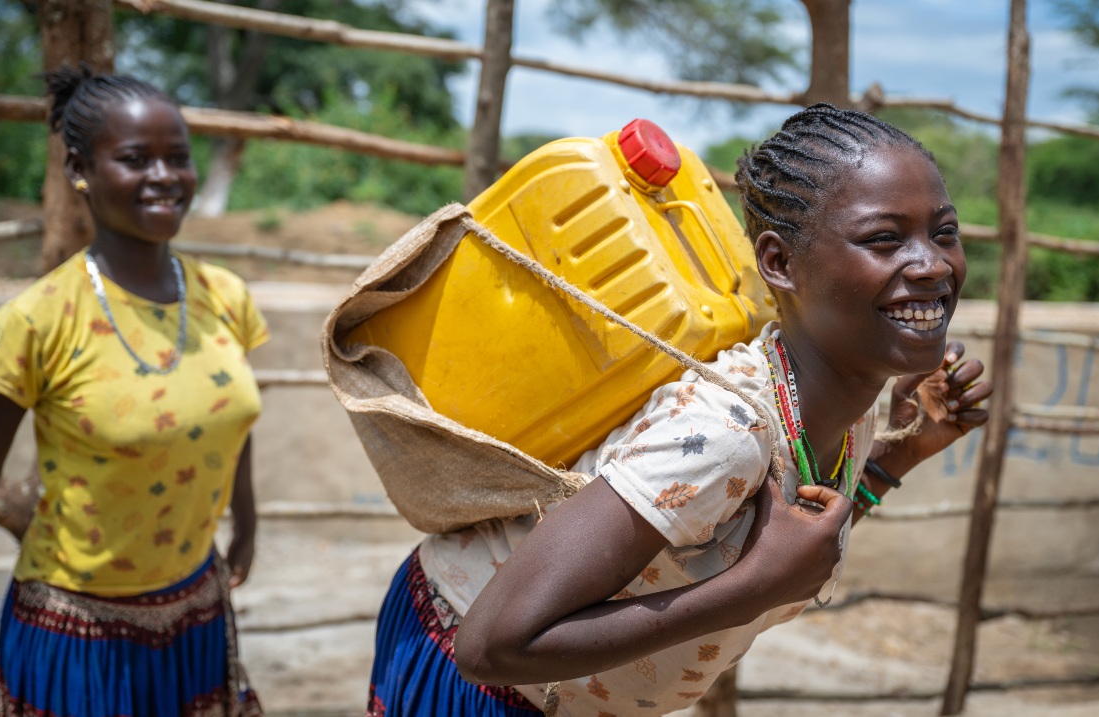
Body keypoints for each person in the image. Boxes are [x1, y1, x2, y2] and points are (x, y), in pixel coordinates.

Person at [363, 103, 995, 716]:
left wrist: (904, 451)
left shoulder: (840, 403)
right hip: (472, 679)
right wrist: (754, 590)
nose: (934, 264)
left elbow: (790, 536)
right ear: (779, 263)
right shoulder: (723, 431)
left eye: (944, 232)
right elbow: (491, 645)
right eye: (885, 239)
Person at [0, 66, 268, 717]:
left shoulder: (226, 298)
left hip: (197, 611)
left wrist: (245, 519)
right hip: (73, 633)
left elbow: (228, 419)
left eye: (178, 157)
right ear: (80, 168)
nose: (165, 176)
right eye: (136, 159)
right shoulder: (37, 321)